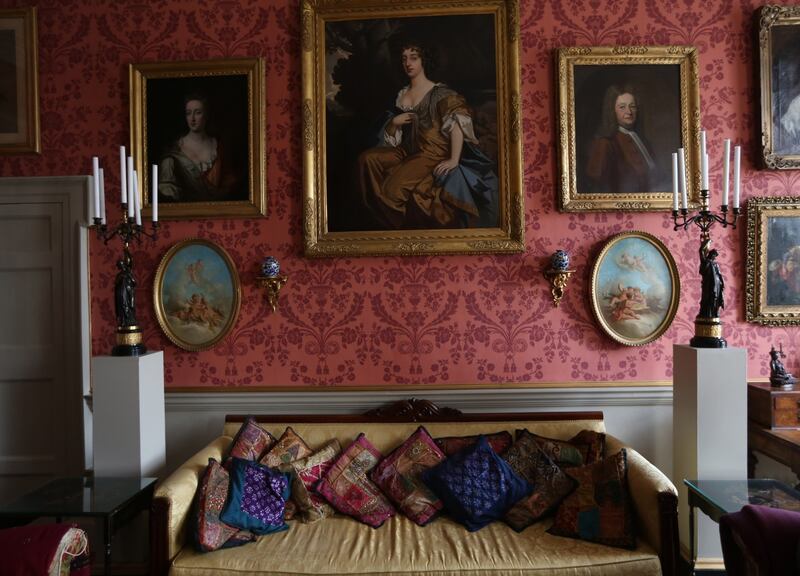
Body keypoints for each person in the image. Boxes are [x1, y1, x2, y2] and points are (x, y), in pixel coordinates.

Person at [357, 41, 498, 229]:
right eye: (404, 59)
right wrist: (393, 123)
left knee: (392, 192)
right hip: (406, 151)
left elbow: (457, 124)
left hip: (431, 154)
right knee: (367, 159)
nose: (408, 63)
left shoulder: (441, 94)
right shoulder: (402, 95)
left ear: (424, 61)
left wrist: (454, 160)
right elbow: (393, 138)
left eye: (414, 58)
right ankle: (379, 222)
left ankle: (398, 232)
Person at [158, 94, 239, 202]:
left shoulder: (218, 147)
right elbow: (167, 189)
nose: (192, 118)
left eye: (198, 113)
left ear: (206, 116)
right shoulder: (174, 152)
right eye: (188, 113)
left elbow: (228, 183)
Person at [586, 84, 657, 193]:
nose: (629, 112)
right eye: (622, 107)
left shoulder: (644, 141)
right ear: (612, 110)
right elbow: (597, 184)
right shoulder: (605, 143)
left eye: (632, 106)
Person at [698, 238, 724, 318]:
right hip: (708, 285)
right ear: (711, 254)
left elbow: (719, 274)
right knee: (708, 299)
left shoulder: (715, 264)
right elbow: (701, 252)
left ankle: (714, 313)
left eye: (715, 256)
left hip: (717, 284)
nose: (714, 257)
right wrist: (706, 242)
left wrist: (721, 282)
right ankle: (707, 314)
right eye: (714, 255)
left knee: (716, 299)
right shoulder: (705, 261)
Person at [114, 254, 137, 328]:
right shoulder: (119, 275)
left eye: (121, 264)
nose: (120, 267)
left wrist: (126, 250)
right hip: (121, 293)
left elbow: (134, 282)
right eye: (119, 266)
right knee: (122, 305)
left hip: (128, 291)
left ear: (123, 264)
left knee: (130, 305)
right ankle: (123, 320)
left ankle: (129, 319)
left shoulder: (128, 272)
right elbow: (116, 284)